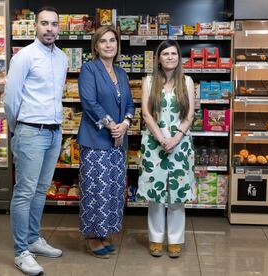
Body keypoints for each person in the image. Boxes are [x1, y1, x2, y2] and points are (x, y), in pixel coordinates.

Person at [4, 6, 68, 276]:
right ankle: (21, 252)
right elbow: (11, 99)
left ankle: (33, 238)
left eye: (54, 24)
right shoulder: (24, 57)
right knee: (24, 192)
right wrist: (16, 130)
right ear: (35, 26)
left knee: (41, 190)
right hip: (30, 131)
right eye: (45, 23)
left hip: (54, 132)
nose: (50, 28)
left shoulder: (63, 58)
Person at [77, 25, 135, 259]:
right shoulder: (89, 69)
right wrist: (112, 125)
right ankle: (92, 236)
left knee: (112, 190)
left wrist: (125, 125)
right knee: (94, 190)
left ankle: (104, 233)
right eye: (103, 41)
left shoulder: (121, 73)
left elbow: (130, 103)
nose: (109, 45)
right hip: (95, 140)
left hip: (118, 142)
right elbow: (89, 102)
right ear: (96, 46)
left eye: (113, 40)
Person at [137, 40, 197, 258]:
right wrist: (162, 139)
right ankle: (155, 239)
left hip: (180, 145)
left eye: (174, 54)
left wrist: (176, 137)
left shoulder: (187, 81)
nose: (170, 57)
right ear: (158, 59)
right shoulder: (149, 81)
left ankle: (175, 240)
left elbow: (189, 114)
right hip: (154, 143)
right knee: (155, 195)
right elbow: (146, 114)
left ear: (179, 58)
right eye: (165, 54)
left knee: (177, 196)